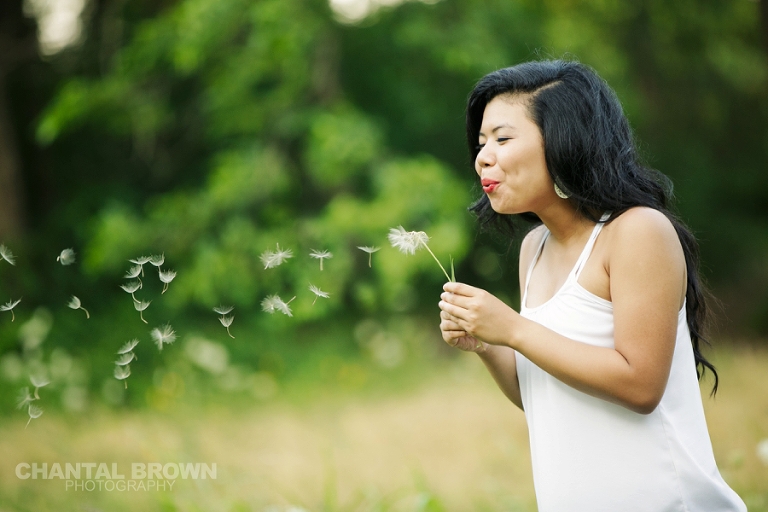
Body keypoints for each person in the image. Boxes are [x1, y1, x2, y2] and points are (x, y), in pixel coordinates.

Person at [438, 60, 747, 512]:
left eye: (503, 138)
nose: (483, 156)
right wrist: (486, 343)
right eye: (482, 142)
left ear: (565, 140)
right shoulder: (534, 249)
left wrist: (512, 329)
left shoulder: (637, 232)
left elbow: (641, 386)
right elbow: (541, 394)